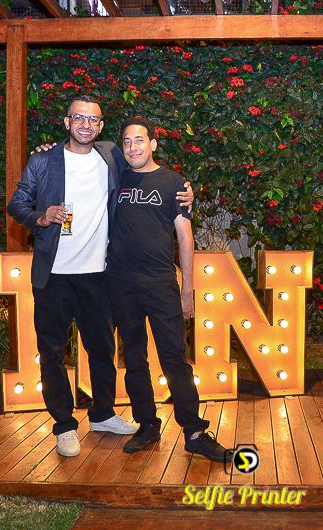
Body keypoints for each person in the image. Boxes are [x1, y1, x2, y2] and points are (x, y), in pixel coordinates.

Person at [7, 96, 193, 458]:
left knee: (103, 350)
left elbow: (149, 171)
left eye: (93, 119)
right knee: (52, 353)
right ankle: (64, 425)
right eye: (78, 118)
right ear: (66, 122)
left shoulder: (111, 156)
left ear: (101, 126)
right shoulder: (43, 160)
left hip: (98, 276)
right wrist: (40, 217)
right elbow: (17, 203)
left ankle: (103, 414)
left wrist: (186, 190)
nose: (85, 125)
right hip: (54, 276)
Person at [106, 116, 231, 462]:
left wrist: (187, 289)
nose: (132, 147)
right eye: (127, 141)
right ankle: (147, 424)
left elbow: (185, 238)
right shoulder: (115, 178)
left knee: (175, 359)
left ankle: (194, 432)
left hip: (161, 283)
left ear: (153, 144)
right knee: (134, 358)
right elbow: (82, 153)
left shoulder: (174, 183)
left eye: (139, 140)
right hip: (121, 284)